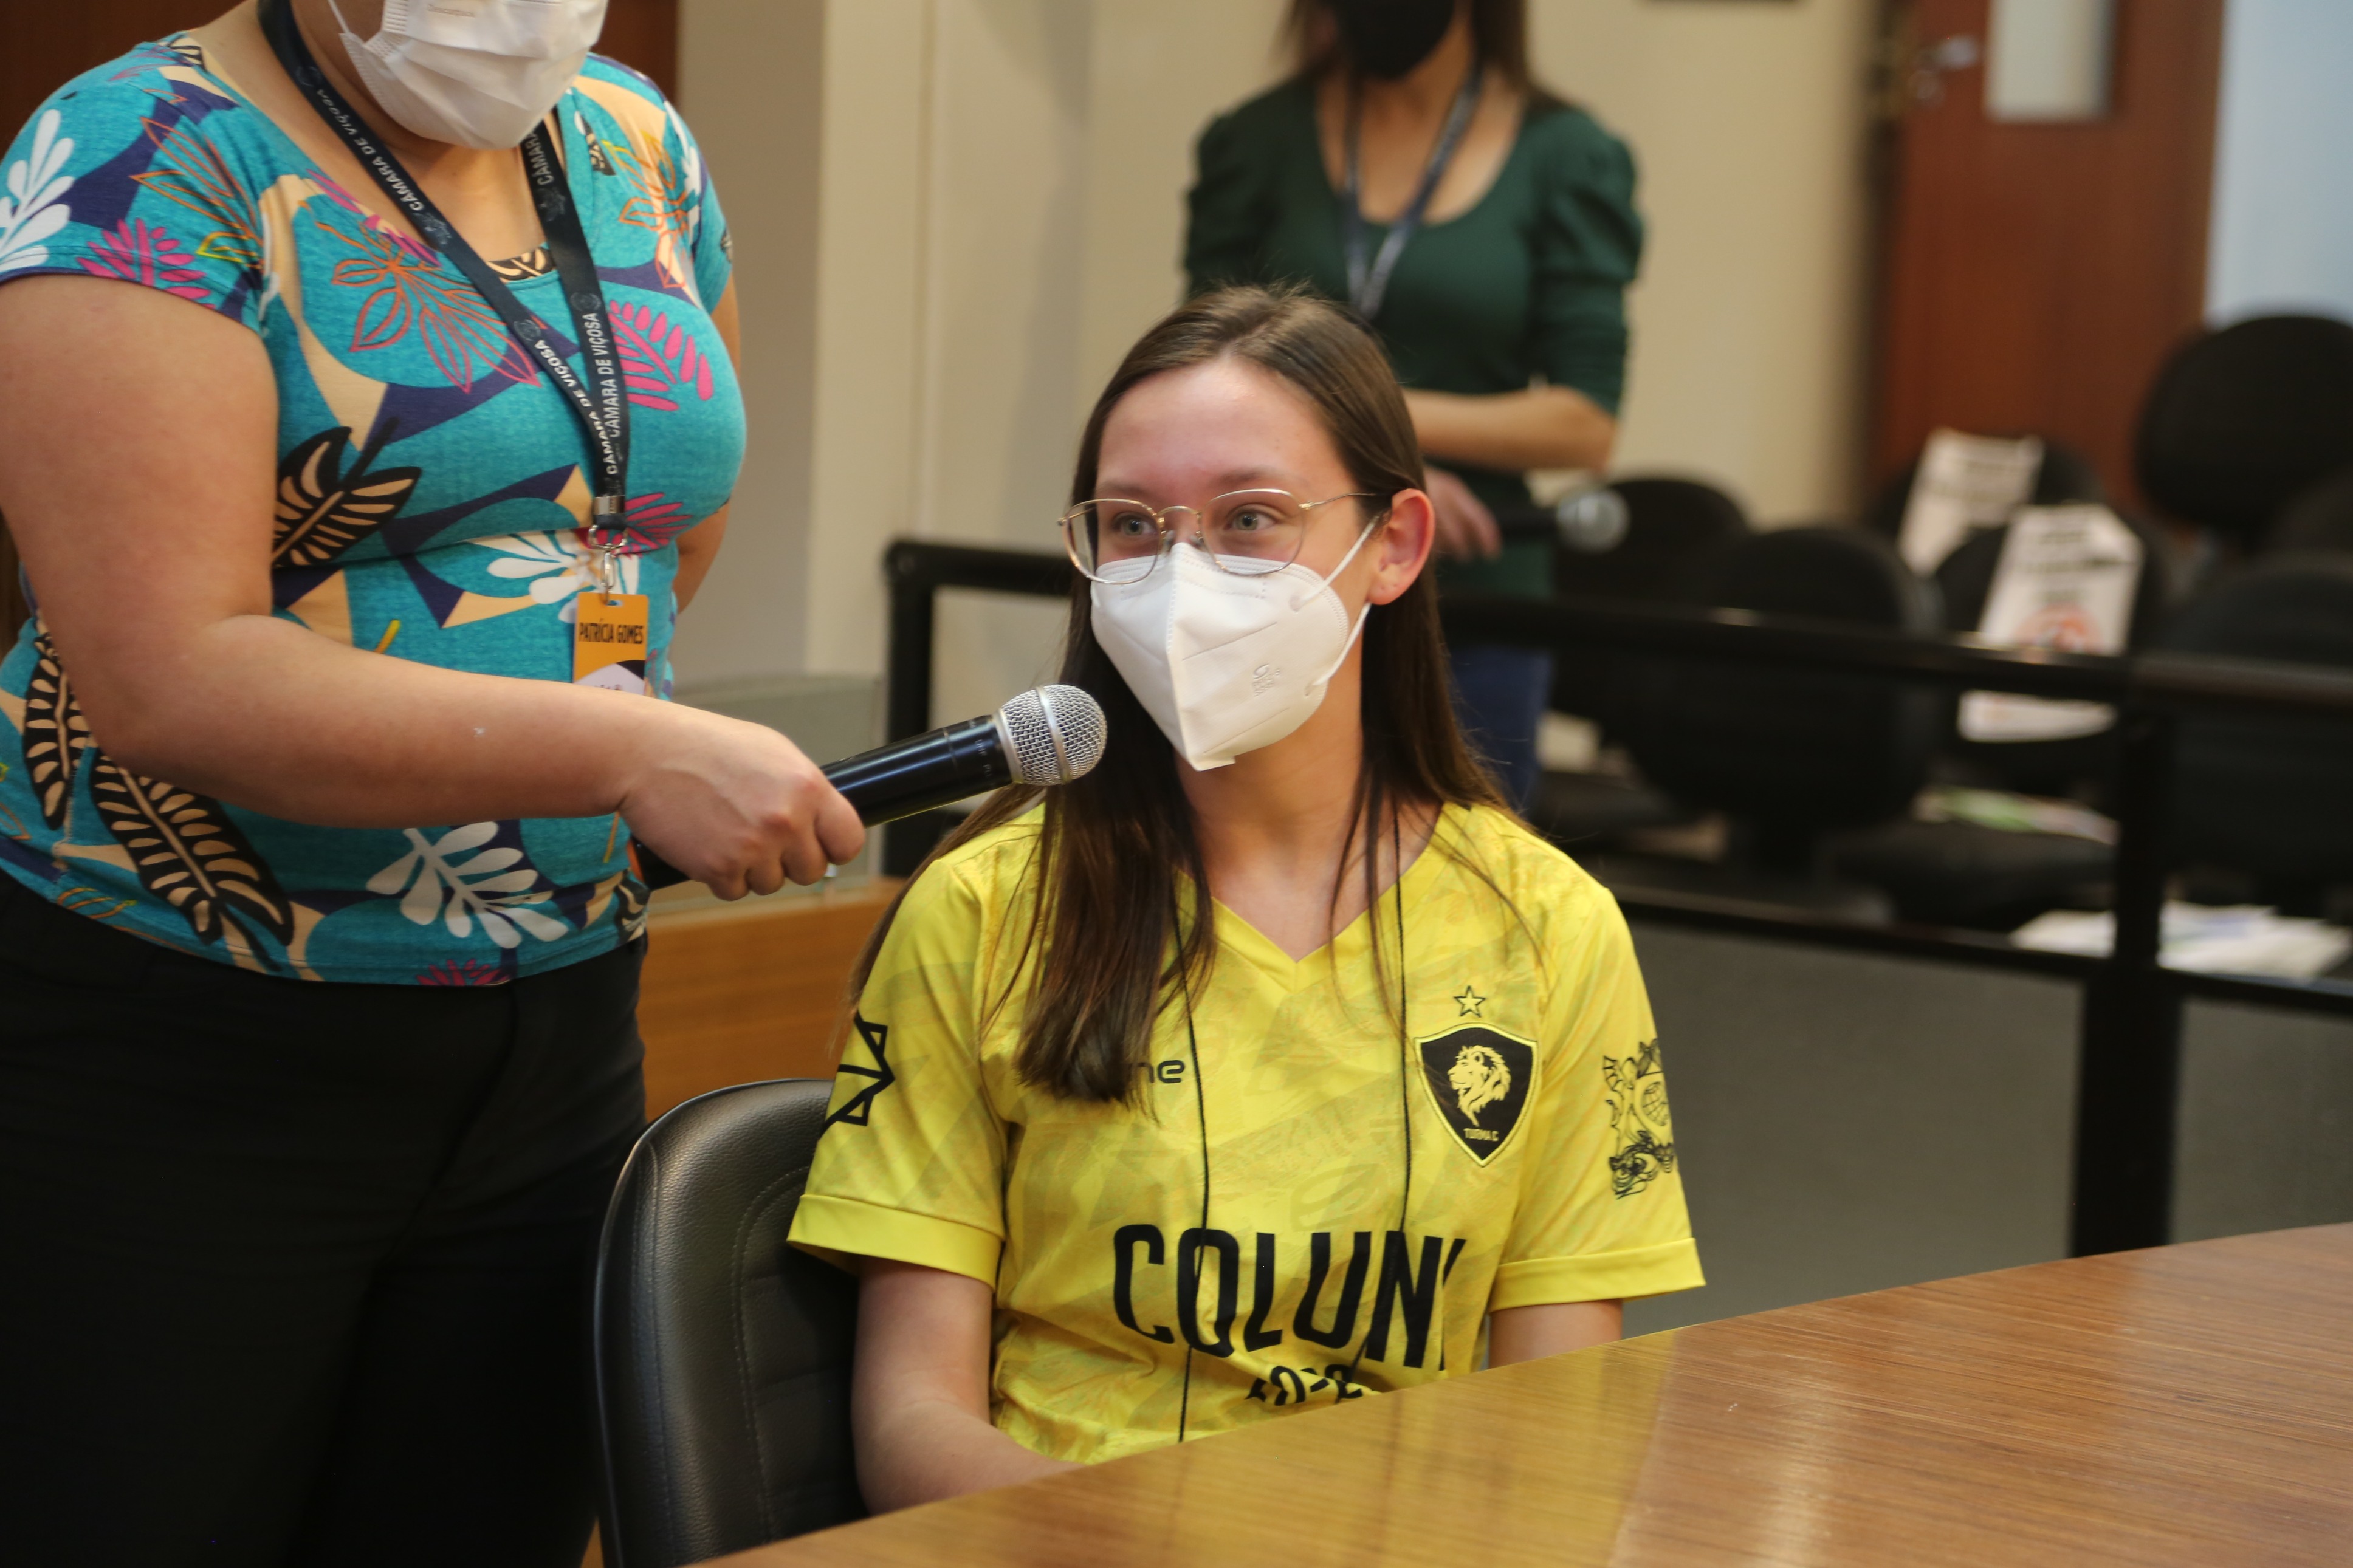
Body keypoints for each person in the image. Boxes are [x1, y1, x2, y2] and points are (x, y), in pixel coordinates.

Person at [0, 2, 860, 1562]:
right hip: (190, 1029)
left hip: (560, 1011)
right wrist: (628, 750)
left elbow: (654, 522)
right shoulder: (142, 153)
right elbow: (170, 674)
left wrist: (575, 717)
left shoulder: (632, 136)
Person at [786, 287, 1699, 1508]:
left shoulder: (1547, 926)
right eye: (1132, 525)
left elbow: (1563, 1434)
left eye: (1251, 518)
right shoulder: (983, 907)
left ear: (1395, 545)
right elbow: (910, 1427)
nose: (1182, 577)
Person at [1184, 0, 1642, 807]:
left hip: (1475, 600)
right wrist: (1393, 465)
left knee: (1465, 864)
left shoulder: (1566, 154)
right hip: (1274, 583)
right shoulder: (1257, 141)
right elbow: (1210, 377)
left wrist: (1377, 426)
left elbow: (1585, 424)